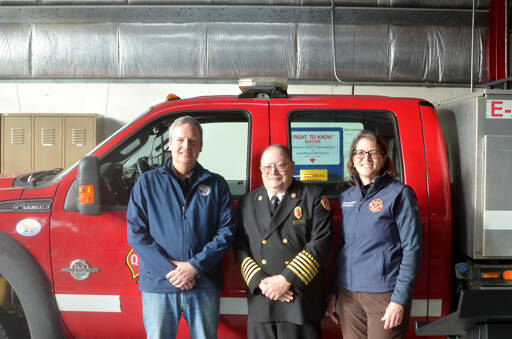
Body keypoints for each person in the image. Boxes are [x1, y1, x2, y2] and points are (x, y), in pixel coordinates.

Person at [126, 115, 237, 339]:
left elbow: (226, 232)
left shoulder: (217, 184)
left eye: (193, 141)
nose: (186, 146)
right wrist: (170, 270)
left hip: (203, 282)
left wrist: (194, 267)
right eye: (180, 140)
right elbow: (136, 234)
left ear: (201, 146)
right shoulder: (146, 183)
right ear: (169, 143)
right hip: (159, 283)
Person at [327, 130, 422, 339]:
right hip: (349, 295)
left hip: (384, 296)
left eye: (373, 152)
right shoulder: (347, 197)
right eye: (359, 153)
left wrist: (399, 300)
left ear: (384, 157)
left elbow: (412, 249)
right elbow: (343, 247)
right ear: (352, 159)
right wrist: (334, 291)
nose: (366, 158)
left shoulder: (399, 194)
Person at [234, 144, 332, 339]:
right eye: (267, 167)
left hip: (299, 299)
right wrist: (261, 283)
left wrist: (286, 280)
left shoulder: (313, 197)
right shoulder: (248, 202)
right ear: (260, 170)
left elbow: (320, 243)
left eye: (280, 165)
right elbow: (240, 246)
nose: (273, 172)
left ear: (293, 167)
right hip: (262, 299)